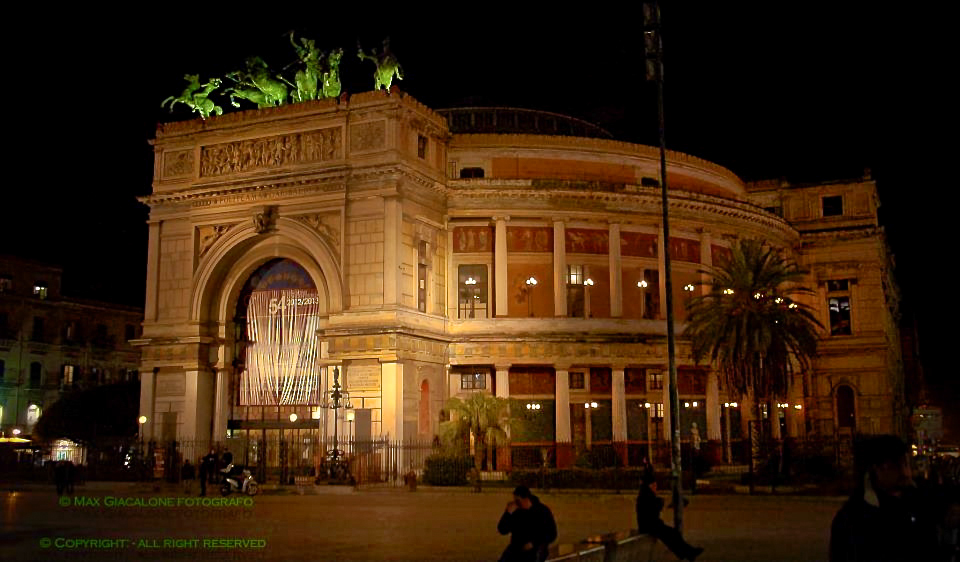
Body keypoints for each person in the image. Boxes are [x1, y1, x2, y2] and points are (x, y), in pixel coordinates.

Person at [829, 434, 938, 562]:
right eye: (894, 466)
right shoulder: (852, 518)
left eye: (906, 464)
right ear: (876, 469)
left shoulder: (922, 504)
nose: (904, 472)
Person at [636, 473, 703, 561]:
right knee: (671, 535)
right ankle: (688, 553)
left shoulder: (646, 493)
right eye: (654, 485)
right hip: (649, 526)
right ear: (650, 485)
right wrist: (660, 503)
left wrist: (659, 502)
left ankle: (688, 553)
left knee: (672, 534)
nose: (656, 487)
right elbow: (652, 510)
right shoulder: (646, 495)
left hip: (651, 525)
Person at [497, 485, 557, 562]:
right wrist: (508, 514)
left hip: (536, 547)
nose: (515, 503)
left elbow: (551, 533)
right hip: (517, 547)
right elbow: (502, 530)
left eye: (518, 501)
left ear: (525, 499)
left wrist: (533, 543)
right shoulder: (516, 511)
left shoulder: (542, 511)